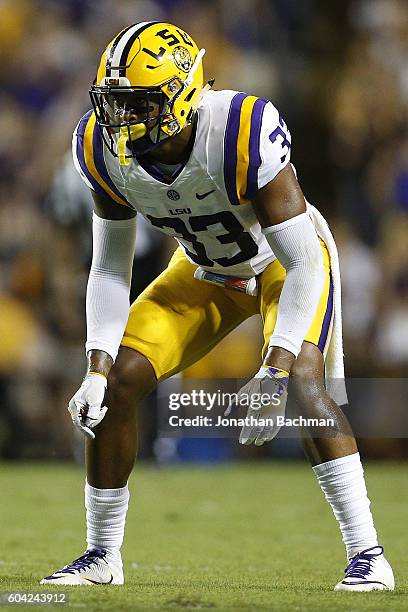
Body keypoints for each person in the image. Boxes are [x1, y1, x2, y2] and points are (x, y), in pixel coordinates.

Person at [41, 22, 394, 591]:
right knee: (120, 382)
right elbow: (110, 267)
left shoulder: (238, 130)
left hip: (282, 264)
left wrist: (274, 369)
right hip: (205, 270)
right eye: (115, 103)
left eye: (139, 103)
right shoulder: (102, 149)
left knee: (303, 382)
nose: (123, 119)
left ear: (182, 92)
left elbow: (303, 262)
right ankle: (101, 555)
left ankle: (368, 554)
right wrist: (95, 367)